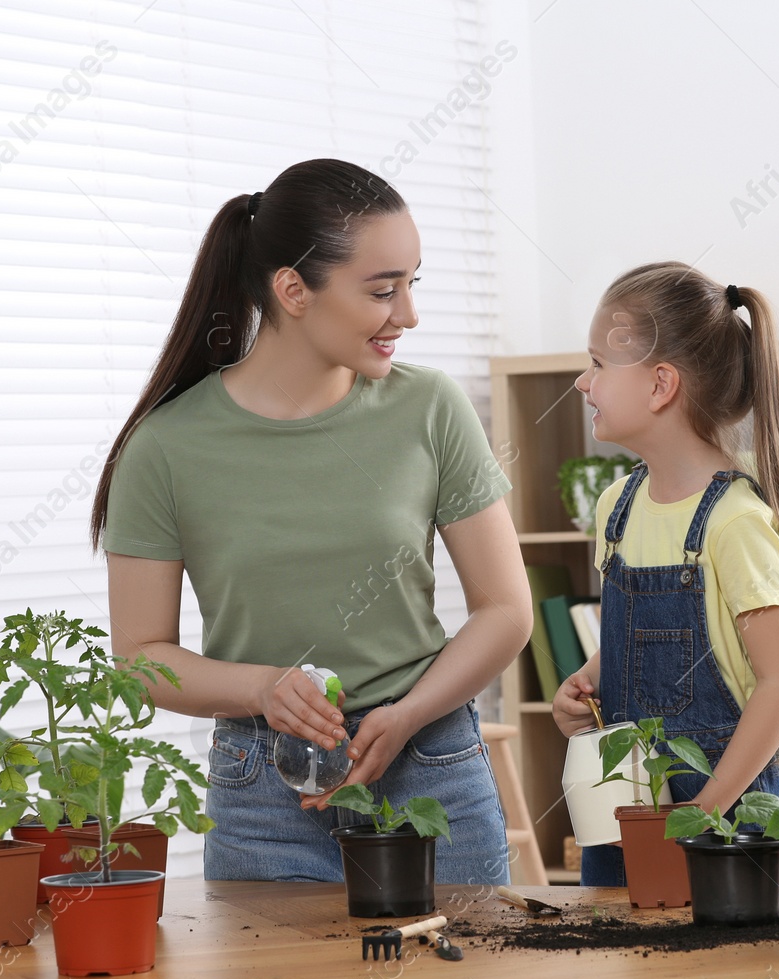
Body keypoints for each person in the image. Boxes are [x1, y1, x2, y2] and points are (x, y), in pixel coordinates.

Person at [90, 159, 531, 885]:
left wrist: (410, 712)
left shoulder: (430, 408)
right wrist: (263, 688)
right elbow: (139, 657)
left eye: (412, 283)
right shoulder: (167, 447)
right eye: (383, 290)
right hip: (266, 794)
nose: (409, 314)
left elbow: (506, 609)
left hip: (431, 769)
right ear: (293, 289)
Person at [551, 263, 779, 887]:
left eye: (598, 364)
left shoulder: (734, 522)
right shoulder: (616, 508)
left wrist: (702, 813)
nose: (582, 381)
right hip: (624, 816)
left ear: (660, 385)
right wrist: (591, 679)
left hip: (723, 833)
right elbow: (645, 644)